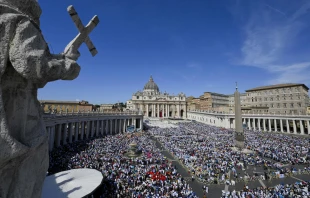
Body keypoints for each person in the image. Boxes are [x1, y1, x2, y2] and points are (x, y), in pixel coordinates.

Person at [0, 0, 80, 197]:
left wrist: (61, 57)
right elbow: (34, 66)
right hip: (19, 118)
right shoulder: (20, 21)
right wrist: (68, 66)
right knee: (29, 167)